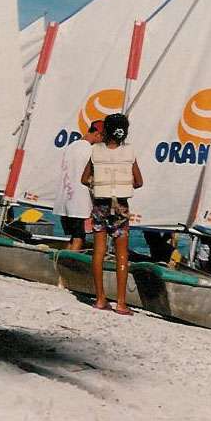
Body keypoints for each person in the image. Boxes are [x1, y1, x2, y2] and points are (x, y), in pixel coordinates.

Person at [81, 113, 143, 315]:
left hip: (100, 205)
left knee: (99, 251)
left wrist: (99, 185)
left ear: (105, 131)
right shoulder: (129, 152)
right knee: (121, 255)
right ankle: (121, 303)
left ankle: (100, 299)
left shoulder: (96, 151)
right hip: (120, 206)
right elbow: (139, 181)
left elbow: (84, 179)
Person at [59, 120, 104, 250]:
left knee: (74, 236)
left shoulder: (71, 146)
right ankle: (71, 261)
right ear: (97, 134)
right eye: (103, 138)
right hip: (80, 202)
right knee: (79, 237)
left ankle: (64, 259)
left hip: (65, 200)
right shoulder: (90, 150)